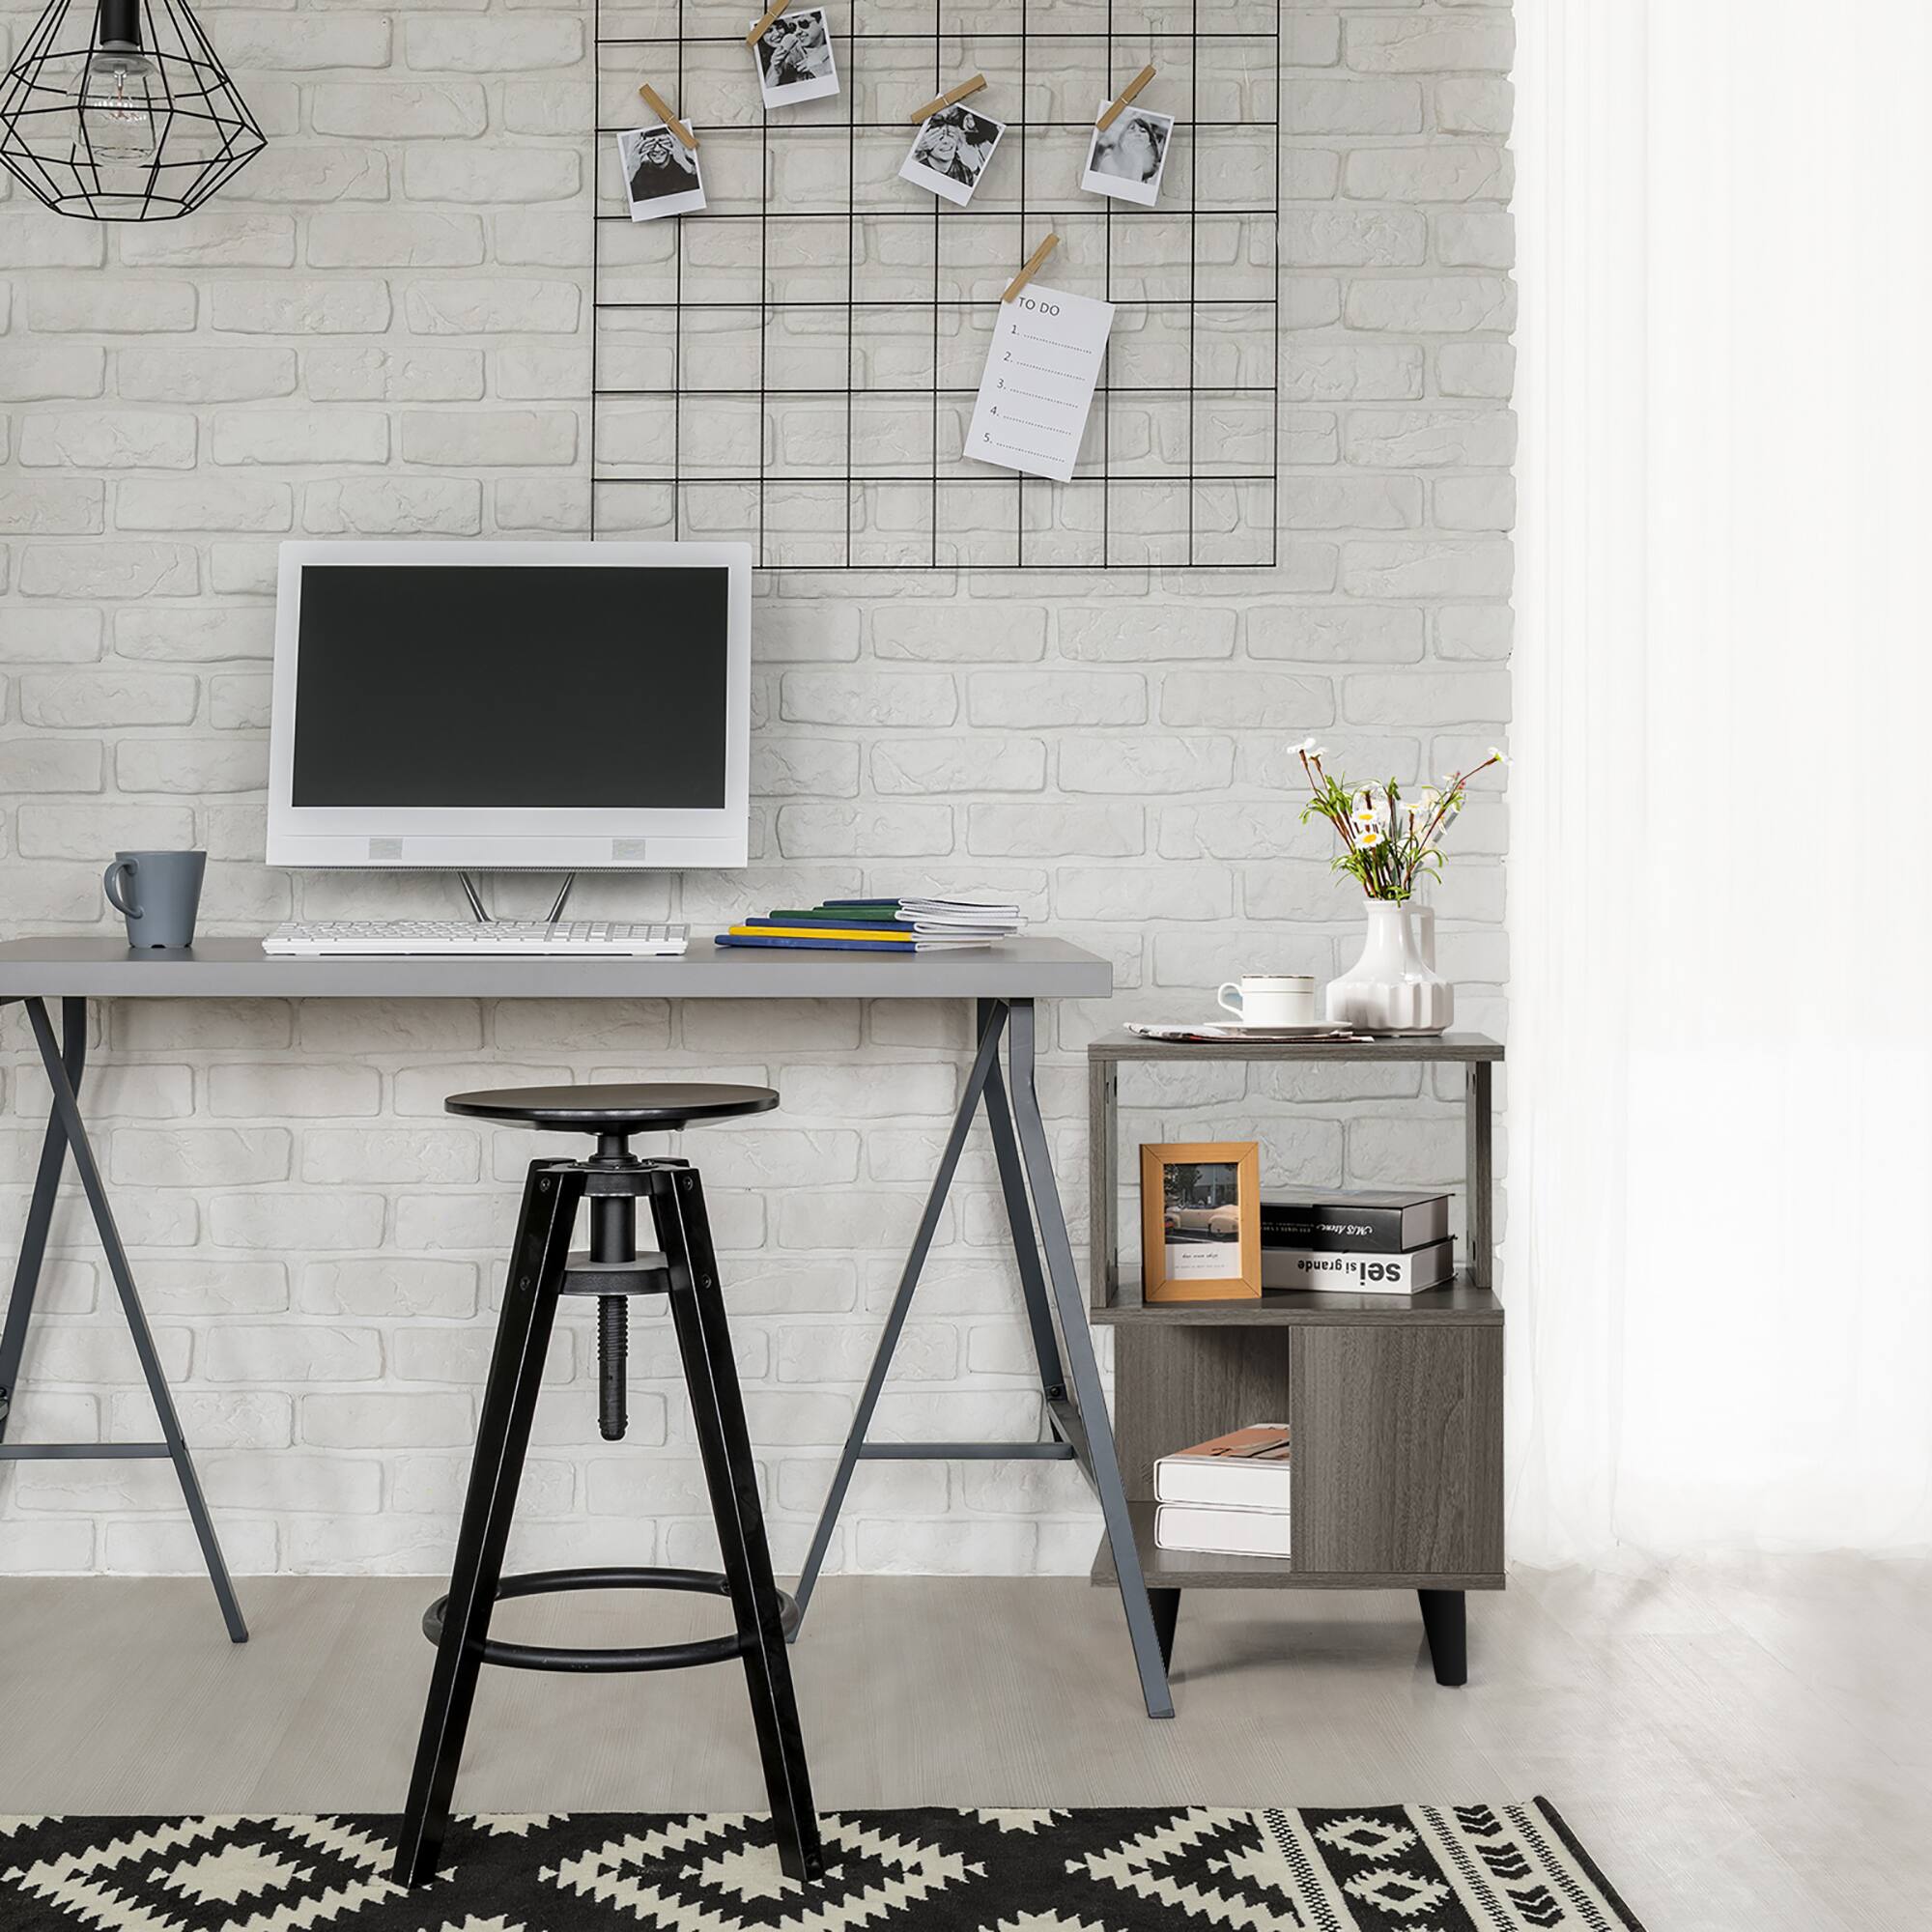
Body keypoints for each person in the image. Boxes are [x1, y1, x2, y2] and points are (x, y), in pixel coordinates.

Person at [1090, 110, 1166, 185]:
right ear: (1122, 140)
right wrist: (1136, 160)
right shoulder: (1109, 161)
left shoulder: (1156, 171)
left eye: (1143, 131)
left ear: (1150, 142)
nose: (1138, 134)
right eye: (1131, 130)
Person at [913, 107, 985, 186]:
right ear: (927, 143)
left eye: (951, 134)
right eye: (939, 136)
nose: (946, 141)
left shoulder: (966, 174)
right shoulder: (917, 170)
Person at [627, 127, 696, 203]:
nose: (657, 149)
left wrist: (683, 161)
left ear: (673, 143)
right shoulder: (637, 171)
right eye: (650, 144)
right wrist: (632, 169)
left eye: (663, 142)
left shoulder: (686, 165)